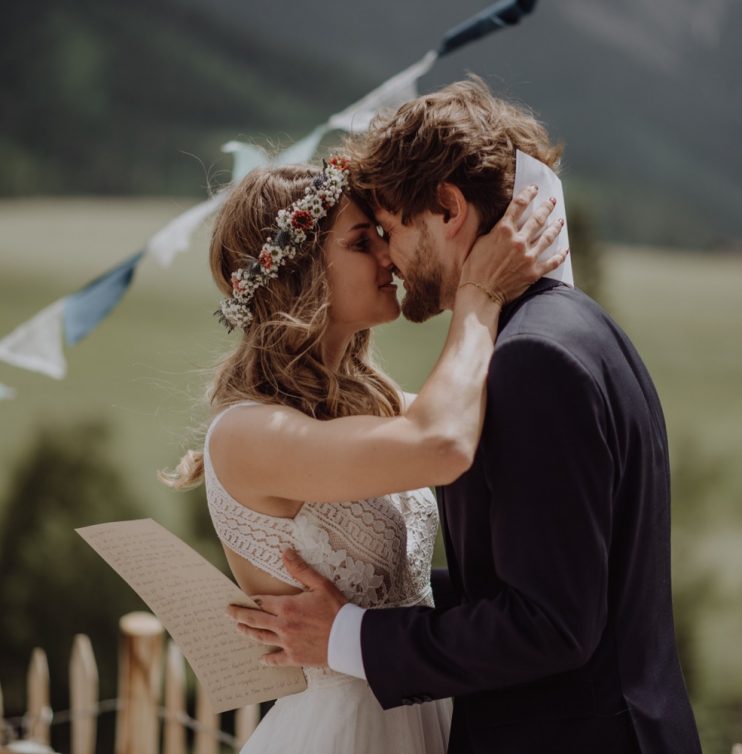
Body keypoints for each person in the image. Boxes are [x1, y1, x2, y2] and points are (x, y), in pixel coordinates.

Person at [230, 79, 703, 754]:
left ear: (447, 208)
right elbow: (534, 573)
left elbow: (550, 624)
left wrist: (348, 638)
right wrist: (369, 603)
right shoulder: (579, 328)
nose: (388, 257)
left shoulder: (532, 360)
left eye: (388, 229)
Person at [163, 152, 566, 754]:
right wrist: (479, 291)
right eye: (361, 242)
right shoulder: (246, 435)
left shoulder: (373, 406)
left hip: (422, 707)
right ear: (299, 272)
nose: (388, 255)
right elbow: (443, 442)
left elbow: (482, 420)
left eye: (382, 235)